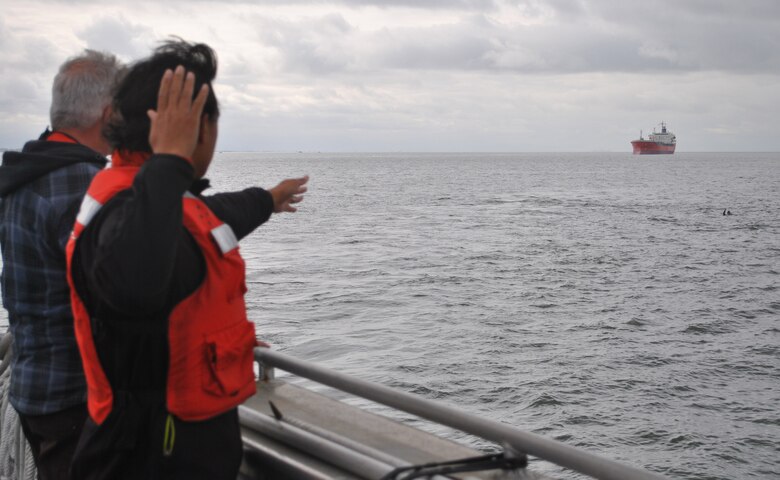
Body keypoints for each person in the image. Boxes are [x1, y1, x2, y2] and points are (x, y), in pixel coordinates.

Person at [65, 40, 308, 479]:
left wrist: (268, 199)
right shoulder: (129, 213)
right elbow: (133, 282)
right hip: (145, 460)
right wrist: (172, 158)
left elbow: (214, 216)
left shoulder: (151, 199)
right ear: (198, 128)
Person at [0, 50, 124, 480]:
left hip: (36, 388)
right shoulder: (82, 184)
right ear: (108, 113)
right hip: (77, 398)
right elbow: (120, 298)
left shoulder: (24, 172)